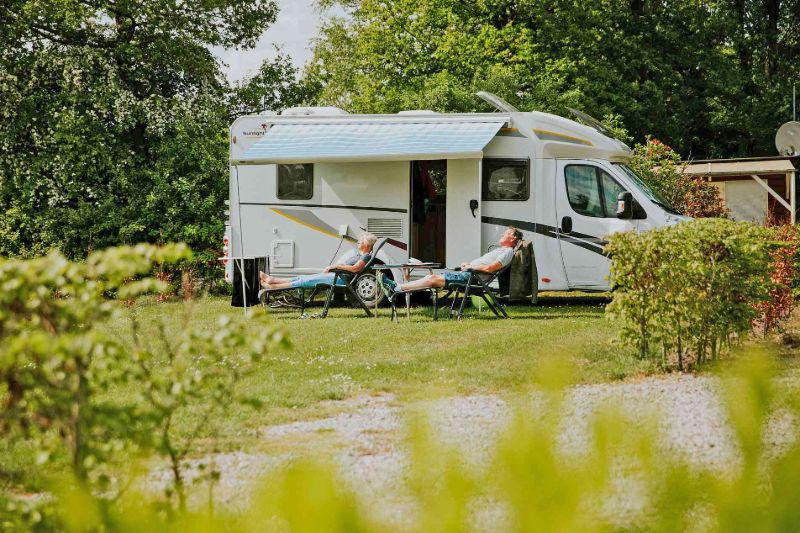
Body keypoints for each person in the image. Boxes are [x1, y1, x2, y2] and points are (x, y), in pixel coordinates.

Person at [386, 226, 522, 294]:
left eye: (506, 233)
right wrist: (469, 265)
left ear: (513, 239)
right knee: (430, 277)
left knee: (431, 279)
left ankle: (397, 288)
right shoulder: (502, 250)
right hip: (469, 274)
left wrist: (471, 267)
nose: (503, 234)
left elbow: (490, 268)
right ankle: (400, 287)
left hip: (471, 278)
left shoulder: (508, 252)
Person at [259, 232, 377, 290]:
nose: (358, 242)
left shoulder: (365, 256)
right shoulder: (361, 254)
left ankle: (274, 287)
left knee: (306, 281)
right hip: (337, 275)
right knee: (301, 277)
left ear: (366, 245)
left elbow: (356, 268)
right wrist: (335, 267)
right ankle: (273, 280)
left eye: (360, 241)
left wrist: (336, 266)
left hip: (340, 279)